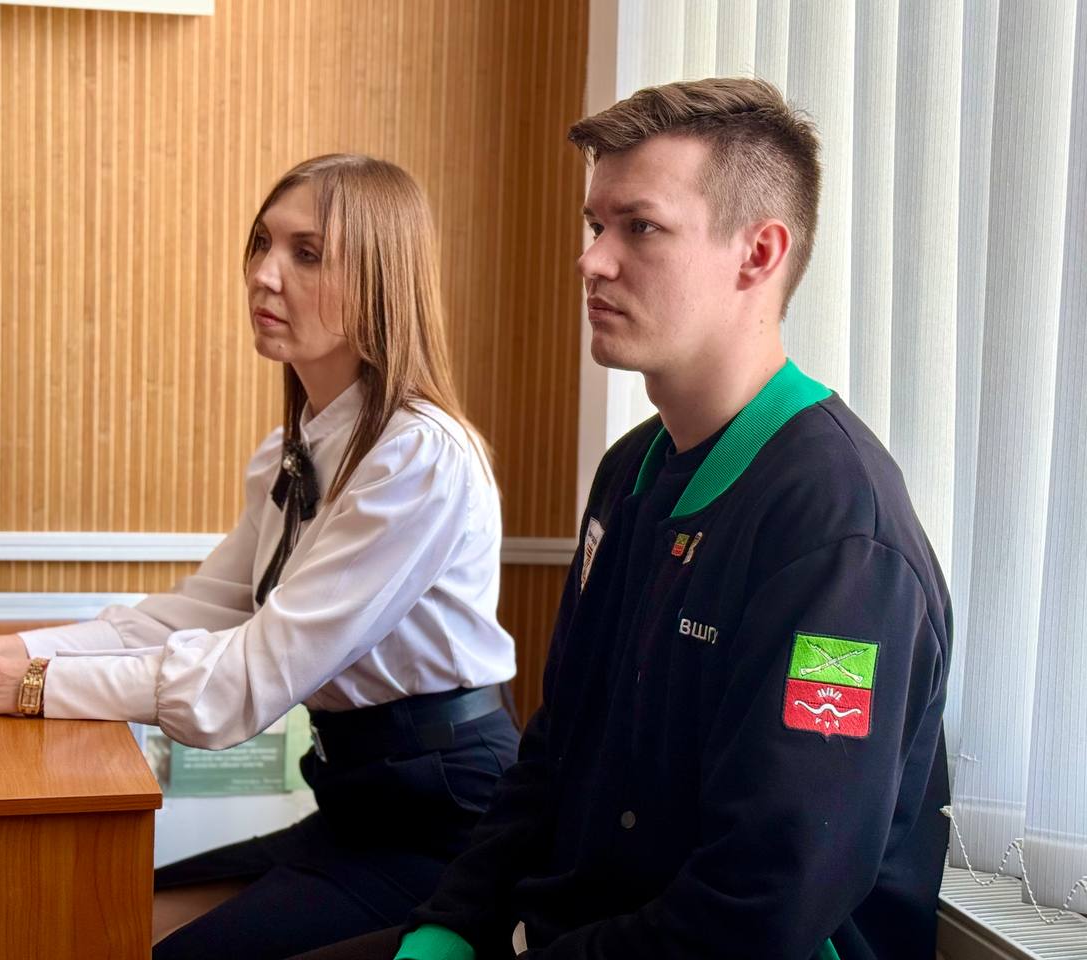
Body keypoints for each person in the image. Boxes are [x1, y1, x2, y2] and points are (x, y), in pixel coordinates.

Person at [291, 77, 953, 960]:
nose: (592, 261)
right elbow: (554, 749)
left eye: (638, 228)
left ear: (758, 254)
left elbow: (764, 905)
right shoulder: (632, 470)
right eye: (594, 225)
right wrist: (449, 923)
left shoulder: (838, 529)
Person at [0, 154, 521, 960]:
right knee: (108, 916)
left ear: (381, 284)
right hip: (354, 805)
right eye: (262, 244)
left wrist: (12, 686)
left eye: (307, 254)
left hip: (447, 824)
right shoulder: (293, 451)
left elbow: (241, 686)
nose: (264, 275)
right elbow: (192, 615)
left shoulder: (418, 458)